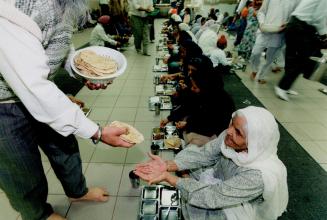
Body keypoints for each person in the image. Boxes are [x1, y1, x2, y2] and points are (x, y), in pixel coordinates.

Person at [0, 1, 135, 220]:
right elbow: (33, 86)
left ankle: (77, 192)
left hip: (37, 88)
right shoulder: (15, 8)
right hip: (4, 105)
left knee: (64, 145)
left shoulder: (61, 3)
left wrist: (79, 70)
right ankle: (38, 215)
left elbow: (55, 41)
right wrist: (97, 132)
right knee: (20, 168)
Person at [135, 106, 288, 220]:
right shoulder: (229, 137)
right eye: (232, 124)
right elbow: (206, 154)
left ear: (255, 142)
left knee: (201, 208)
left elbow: (212, 196)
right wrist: (168, 165)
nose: (229, 132)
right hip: (220, 181)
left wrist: (170, 178)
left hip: (236, 202)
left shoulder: (258, 175)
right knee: (191, 153)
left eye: (238, 132)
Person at [161, 55, 235, 146]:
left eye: (194, 87)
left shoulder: (219, 99)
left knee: (192, 139)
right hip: (206, 122)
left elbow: (210, 124)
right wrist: (169, 118)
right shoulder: (203, 88)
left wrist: (188, 124)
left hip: (217, 133)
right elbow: (189, 105)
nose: (189, 73)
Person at [275, 0, 327, 101]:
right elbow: (318, 17)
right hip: (302, 28)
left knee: (292, 57)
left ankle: (285, 86)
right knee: (303, 59)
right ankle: (282, 86)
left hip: (295, 24)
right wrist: (324, 35)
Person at [249, 0, 298, 84]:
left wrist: (287, 24)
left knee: (270, 58)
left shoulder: (296, 1)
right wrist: (261, 24)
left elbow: (296, 16)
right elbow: (261, 12)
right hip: (264, 30)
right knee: (255, 53)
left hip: (279, 33)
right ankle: (254, 70)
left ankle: (262, 76)